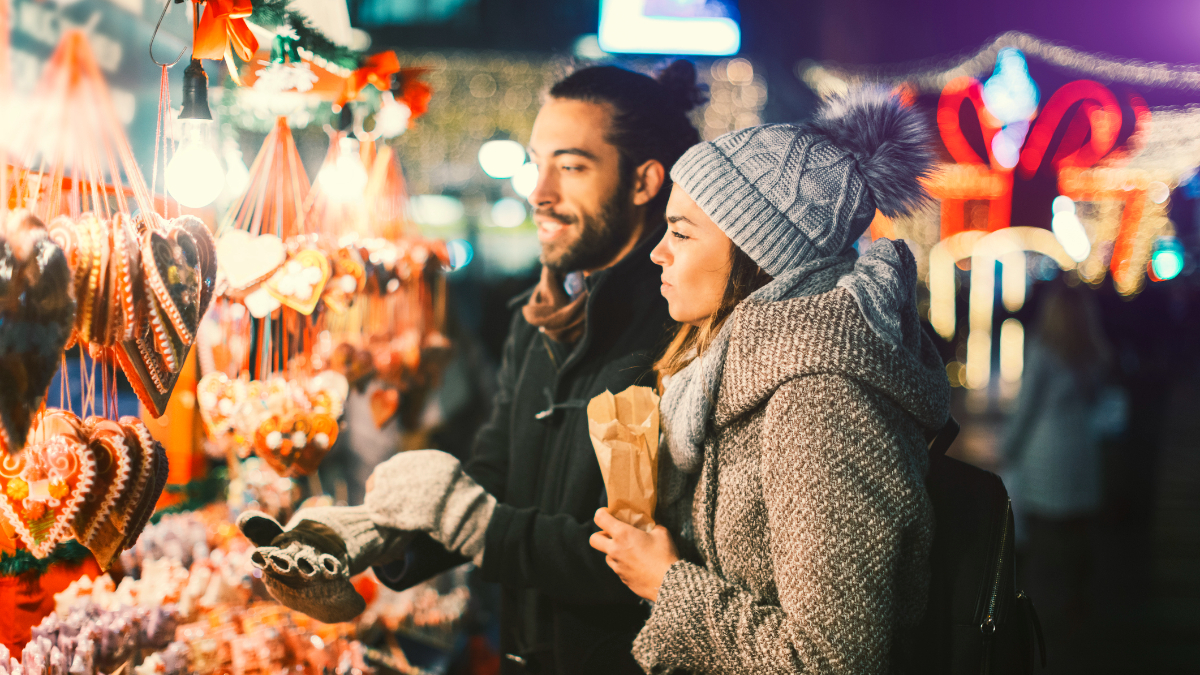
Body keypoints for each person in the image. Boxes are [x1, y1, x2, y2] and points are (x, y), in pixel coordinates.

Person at [237, 62, 706, 675]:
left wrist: (474, 523)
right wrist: (375, 532)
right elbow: (494, 473)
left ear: (644, 181)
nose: (539, 192)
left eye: (571, 167)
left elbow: (645, 559)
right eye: (537, 164)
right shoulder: (538, 317)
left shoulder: (682, 336)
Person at [587, 89, 952, 674]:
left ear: (758, 255)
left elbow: (830, 662)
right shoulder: (723, 371)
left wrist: (665, 582)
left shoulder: (820, 401)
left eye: (681, 233)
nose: (658, 253)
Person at [1000, 282, 1119, 673]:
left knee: (1042, 540)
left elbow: (1026, 408)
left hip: (1045, 457)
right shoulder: (1093, 354)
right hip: (1082, 456)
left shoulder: (1041, 352)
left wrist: (1009, 448)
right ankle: (1076, 608)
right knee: (1077, 538)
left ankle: (1037, 618)